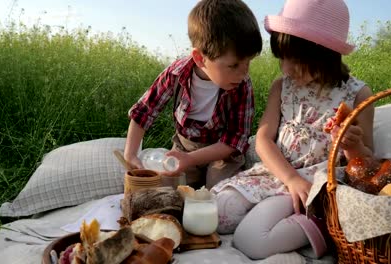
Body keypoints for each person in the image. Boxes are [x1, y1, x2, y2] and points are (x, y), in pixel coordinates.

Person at [211, 0, 374, 259]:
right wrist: (289, 178)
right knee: (216, 212)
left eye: (296, 61)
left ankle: (323, 226)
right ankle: (270, 212)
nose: (286, 68)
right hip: (280, 174)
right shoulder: (282, 86)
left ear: (325, 53)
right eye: (282, 59)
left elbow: (366, 166)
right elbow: (263, 139)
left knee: (250, 240)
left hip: (313, 185)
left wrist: (353, 146)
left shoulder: (357, 94)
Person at [124, 0, 263, 189]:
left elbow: (234, 140)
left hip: (222, 154)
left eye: (248, 62)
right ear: (200, 58)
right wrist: (131, 153)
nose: (243, 73)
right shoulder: (176, 73)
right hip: (184, 148)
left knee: (219, 191)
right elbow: (144, 111)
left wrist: (191, 159)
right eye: (234, 65)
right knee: (169, 189)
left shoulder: (241, 85)